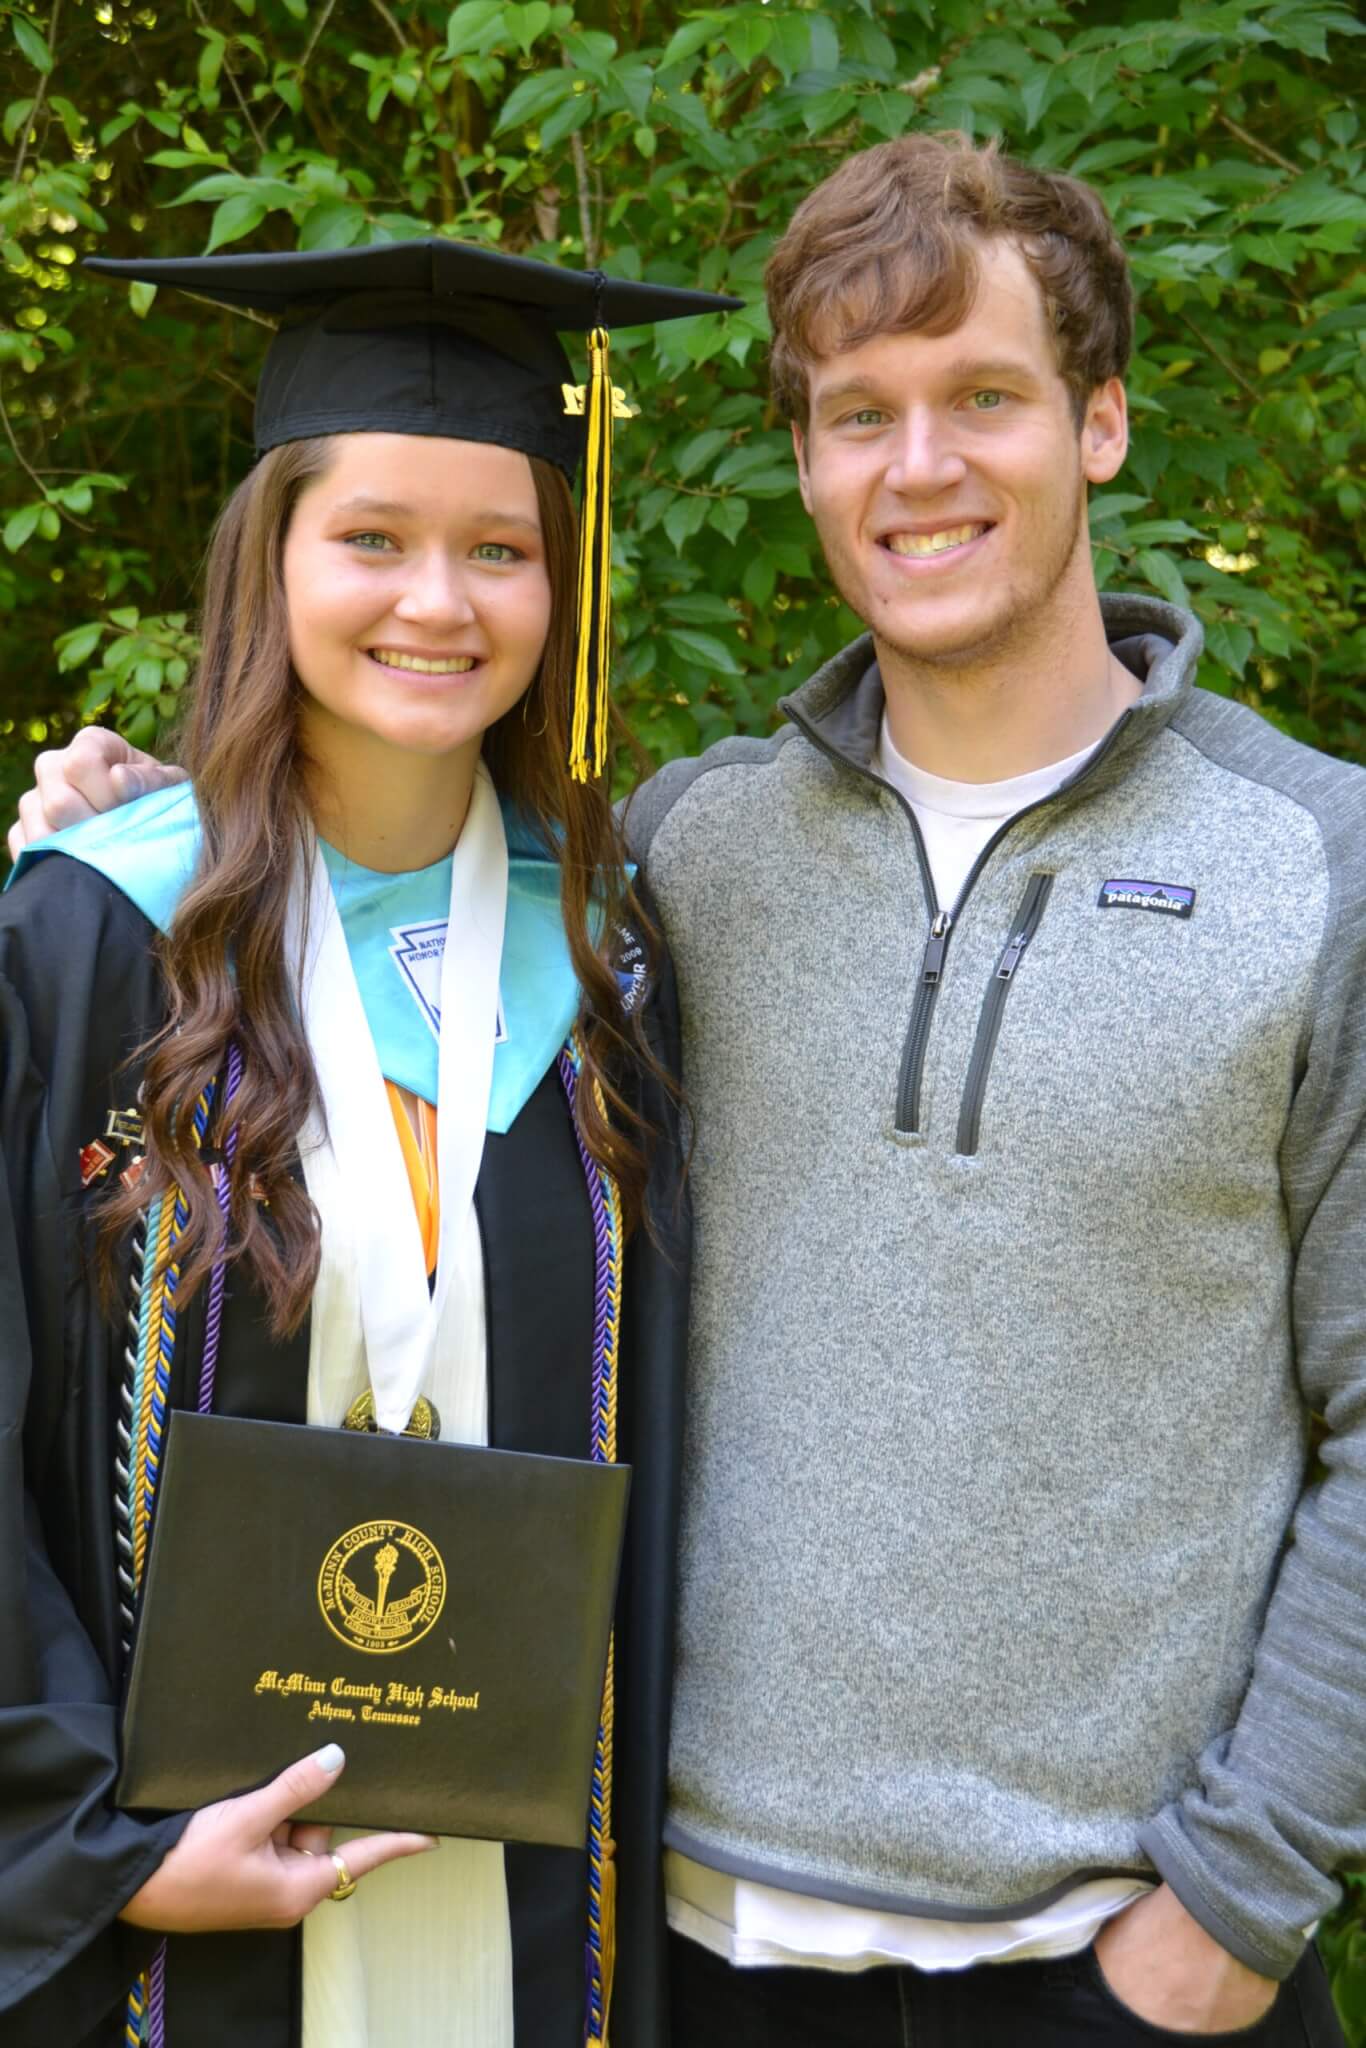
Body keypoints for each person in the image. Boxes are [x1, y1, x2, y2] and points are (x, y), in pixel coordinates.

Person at [18, 135, 1364, 2046]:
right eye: (856, 415)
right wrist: (137, 833)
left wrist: (1238, 1904)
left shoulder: (1307, 868)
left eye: (984, 397)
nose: (920, 468)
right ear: (804, 462)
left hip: (1115, 1966)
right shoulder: (681, 866)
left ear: (1105, 424)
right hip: (695, 1945)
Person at [0, 237, 736, 2048]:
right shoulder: (99, 936)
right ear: (273, 562)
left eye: (501, 548)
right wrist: (91, 1844)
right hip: (180, 1904)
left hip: (531, 1888)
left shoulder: (615, 957)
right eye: (374, 539)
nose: (442, 598)